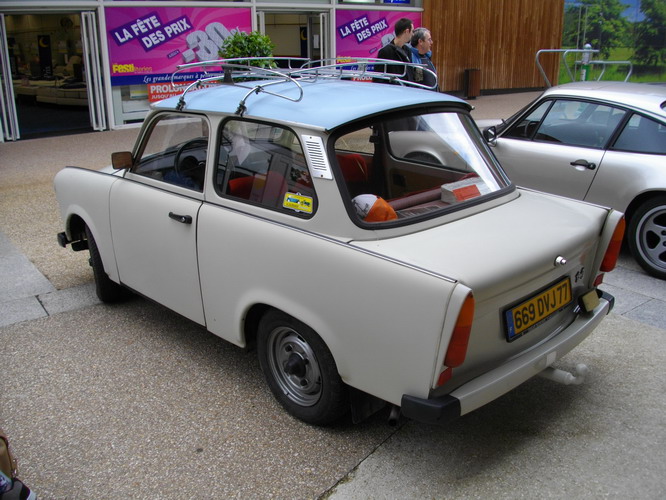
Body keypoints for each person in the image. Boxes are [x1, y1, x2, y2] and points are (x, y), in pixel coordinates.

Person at [375, 18, 414, 83]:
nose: (413, 34)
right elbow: (378, 77)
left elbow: (410, 75)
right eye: (412, 31)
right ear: (407, 31)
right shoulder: (385, 51)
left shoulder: (408, 51)